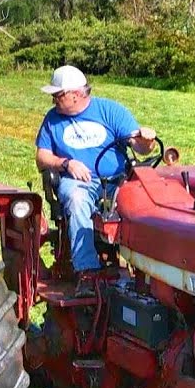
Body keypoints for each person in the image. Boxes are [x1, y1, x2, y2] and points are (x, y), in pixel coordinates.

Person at [34, 65, 156, 292]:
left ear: (77, 94)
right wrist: (66, 163)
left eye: (57, 95)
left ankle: (147, 270)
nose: (53, 101)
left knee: (146, 204)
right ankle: (87, 270)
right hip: (79, 182)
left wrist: (146, 141)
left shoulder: (110, 111)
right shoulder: (52, 119)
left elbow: (138, 146)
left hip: (116, 180)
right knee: (77, 198)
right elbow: (42, 156)